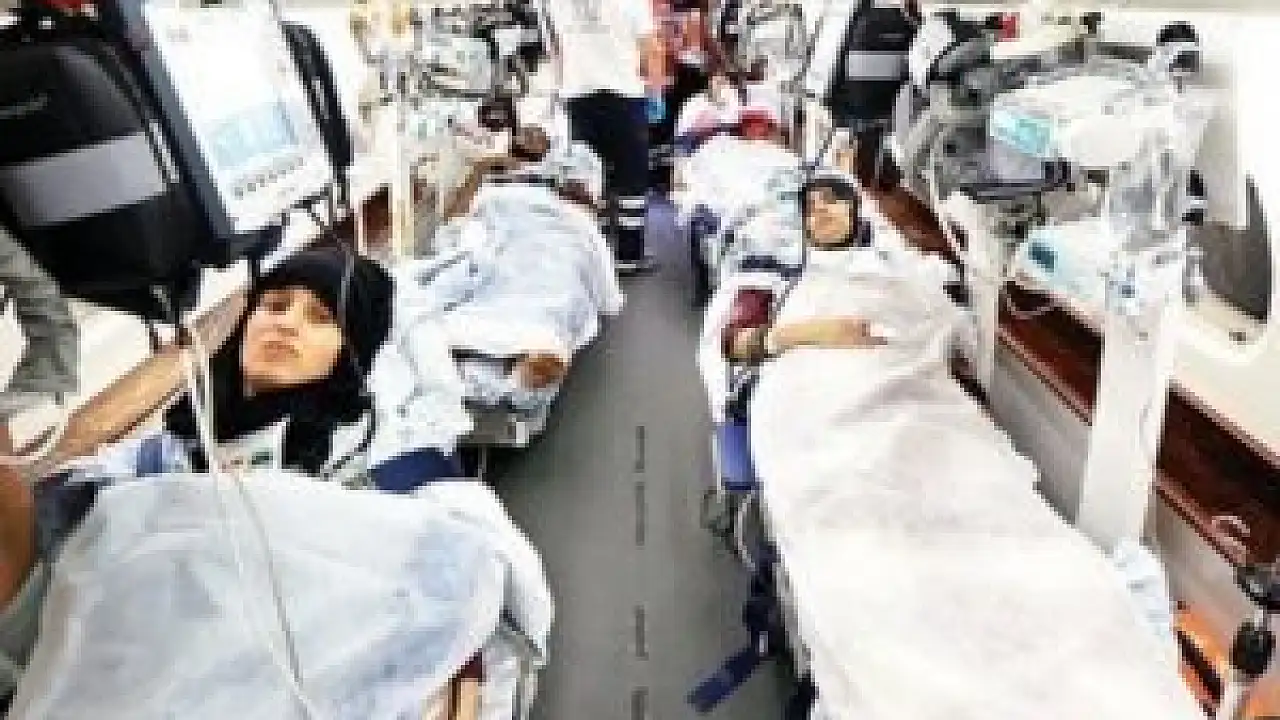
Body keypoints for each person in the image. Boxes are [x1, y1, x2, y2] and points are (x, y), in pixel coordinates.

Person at [0, 246, 430, 707]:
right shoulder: (180, 438)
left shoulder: (352, 474)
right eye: (275, 305)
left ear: (350, 354)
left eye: (321, 318)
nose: (286, 324)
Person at [542, 0, 663, 273]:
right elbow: (651, 49)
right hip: (623, 96)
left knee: (587, 178)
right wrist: (655, 93)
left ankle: (590, 256)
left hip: (578, 98)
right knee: (631, 177)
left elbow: (557, 51)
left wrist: (559, 90)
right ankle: (628, 255)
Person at [721, 175, 884, 363]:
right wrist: (808, 332)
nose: (819, 208)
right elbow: (734, 344)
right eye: (810, 208)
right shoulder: (775, 270)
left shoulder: (887, 264)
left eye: (830, 199)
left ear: (854, 209)